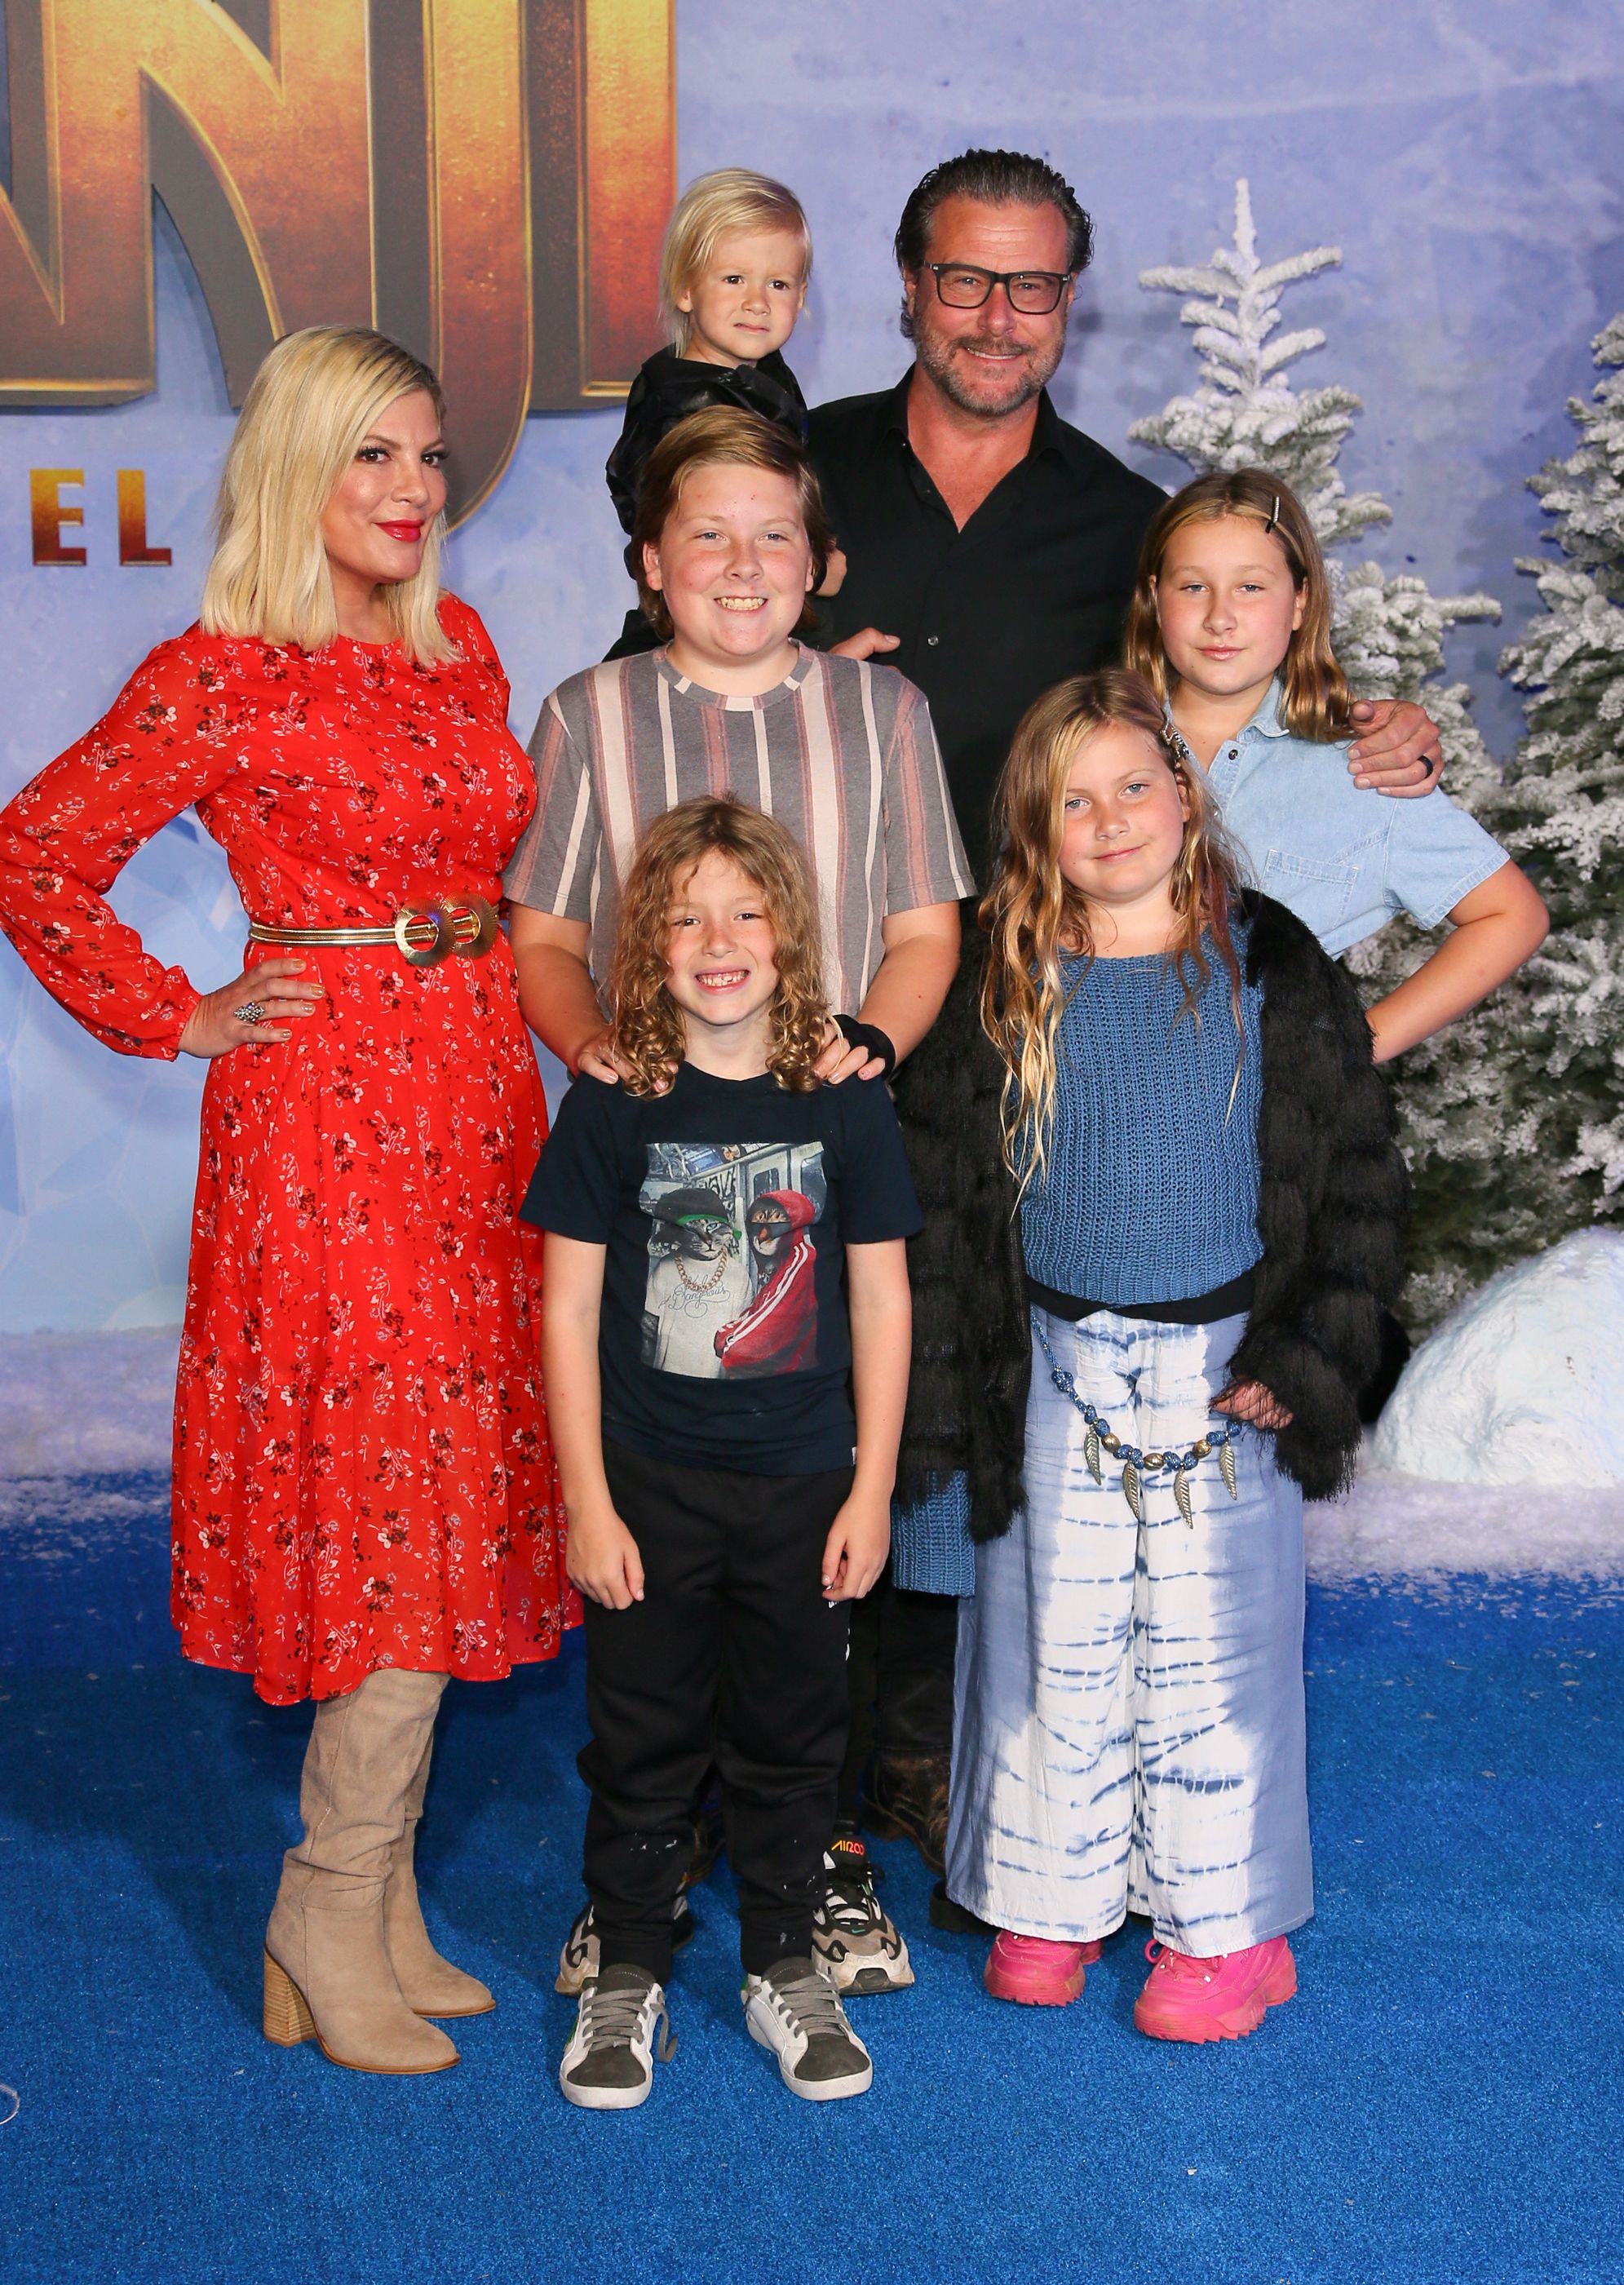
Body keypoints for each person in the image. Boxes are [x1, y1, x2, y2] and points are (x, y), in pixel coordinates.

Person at [807, 148, 1448, 1880]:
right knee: (821, 1391)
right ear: (909, 283)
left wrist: (1367, 727)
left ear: (1067, 303)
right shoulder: (803, 476)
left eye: (1029, 286)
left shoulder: (1112, 519)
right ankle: (795, 1777)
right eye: (963, 279)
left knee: (985, 1404)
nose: (996, 315)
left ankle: (946, 1775)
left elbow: (1202, 699)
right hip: (819, 1003)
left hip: (1031, 1017)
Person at [0, 326, 575, 2077]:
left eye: (424, 457)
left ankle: (372, 1900)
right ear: (294, 472)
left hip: (479, 1091)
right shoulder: (220, 670)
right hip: (325, 1118)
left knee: (456, 1468)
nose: (410, 492)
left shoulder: (458, 644)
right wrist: (173, 1010)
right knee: (380, 1477)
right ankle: (325, 1906)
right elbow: (35, 853)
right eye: (370, 459)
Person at [509, 403, 963, 1993]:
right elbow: (548, 935)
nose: (742, 563)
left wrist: (860, 1054)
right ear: (649, 558)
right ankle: (637, 1874)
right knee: (651, 1554)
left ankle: (814, 1861)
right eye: (707, 531)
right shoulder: (591, 713)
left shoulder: (876, 709)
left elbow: (919, 927)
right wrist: (598, 1058)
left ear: (818, 557)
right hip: (651, 1162)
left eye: (774, 532)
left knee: (802, 1562)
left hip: (814, 1154)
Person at [895, 669, 1410, 2039]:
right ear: (1031, 829)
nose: (1111, 818)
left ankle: (1222, 1933)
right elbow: (942, 1198)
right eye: (1075, 801)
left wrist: (1306, 1358)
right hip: (1050, 1362)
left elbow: (1354, 1177)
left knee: (1207, 1657)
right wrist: (947, 1423)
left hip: (1225, 1373)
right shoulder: (996, 972)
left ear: (1185, 795)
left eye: (1136, 785)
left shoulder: (1272, 958)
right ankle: (1048, 1900)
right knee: (1049, 1643)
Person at [526, 796, 918, 2108]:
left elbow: (878, 1300)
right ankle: (628, 1969)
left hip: (804, 1486)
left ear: (789, 935)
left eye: (744, 913)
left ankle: (777, 1961)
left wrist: (868, 1486)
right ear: (648, 943)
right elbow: (568, 1307)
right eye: (685, 916)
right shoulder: (611, 1105)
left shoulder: (846, 1102)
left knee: (792, 1737)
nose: (716, 940)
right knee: (641, 1733)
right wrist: (586, 1501)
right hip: (646, 1483)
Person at [1123, 467, 1549, 1057]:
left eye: (1250, 587)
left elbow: (1511, 915)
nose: (1219, 617)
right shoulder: (1098, 742)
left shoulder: (1365, 768)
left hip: (1258, 1132)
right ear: (1153, 596)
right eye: (1192, 587)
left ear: (1299, 601)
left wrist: (1349, 1056)